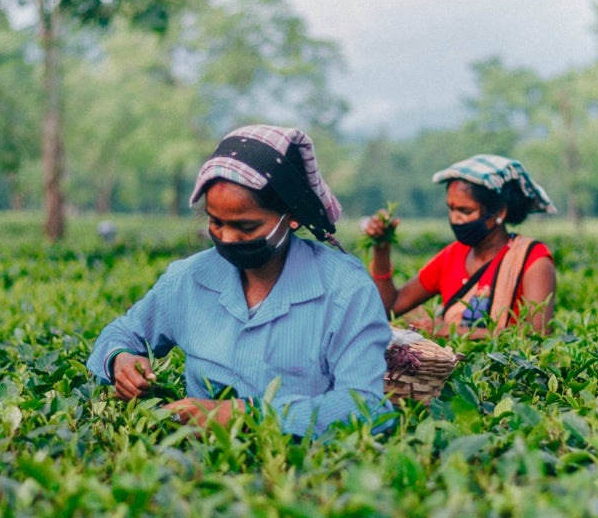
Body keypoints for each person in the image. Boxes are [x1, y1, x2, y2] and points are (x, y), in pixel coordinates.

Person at [87, 125, 391, 436]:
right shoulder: (188, 279)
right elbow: (121, 334)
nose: (228, 238)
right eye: (216, 222)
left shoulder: (345, 290)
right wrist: (120, 361)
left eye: (245, 226)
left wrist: (240, 414)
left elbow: (367, 406)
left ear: (292, 215)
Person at [363, 154, 557, 336]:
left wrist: (451, 330)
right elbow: (390, 307)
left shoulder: (532, 259)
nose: (455, 219)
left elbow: (537, 336)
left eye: (465, 210)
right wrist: (382, 248)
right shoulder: (453, 255)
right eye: (451, 208)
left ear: (499, 212)